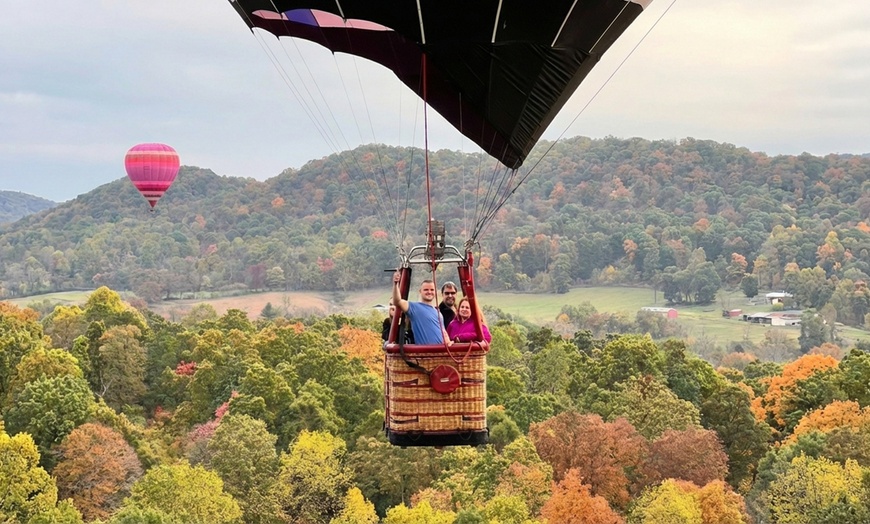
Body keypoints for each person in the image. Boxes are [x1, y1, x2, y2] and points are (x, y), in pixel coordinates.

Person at [392, 272, 451, 345]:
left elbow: (444, 333)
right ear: (420, 291)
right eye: (426, 290)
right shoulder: (414, 308)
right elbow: (397, 301)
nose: (429, 292)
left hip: (440, 353)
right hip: (424, 353)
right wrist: (396, 284)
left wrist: (449, 343)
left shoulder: (438, 313)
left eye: (432, 290)